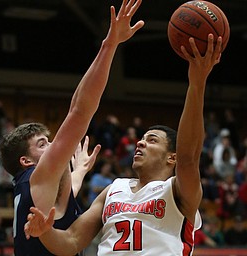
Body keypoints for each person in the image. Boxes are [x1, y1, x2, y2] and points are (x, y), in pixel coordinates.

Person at [24, 30, 224, 255]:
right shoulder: (113, 190)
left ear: (172, 157)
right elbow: (71, 240)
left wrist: (196, 84)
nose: (140, 143)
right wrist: (45, 232)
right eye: (141, 138)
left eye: (152, 140)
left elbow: (189, 157)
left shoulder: (178, 190)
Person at [0, 0, 144, 255]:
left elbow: (66, 194)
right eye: (42, 144)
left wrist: (79, 171)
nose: (54, 144)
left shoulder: (43, 188)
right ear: (26, 161)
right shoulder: (39, 177)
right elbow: (79, 112)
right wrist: (109, 45)